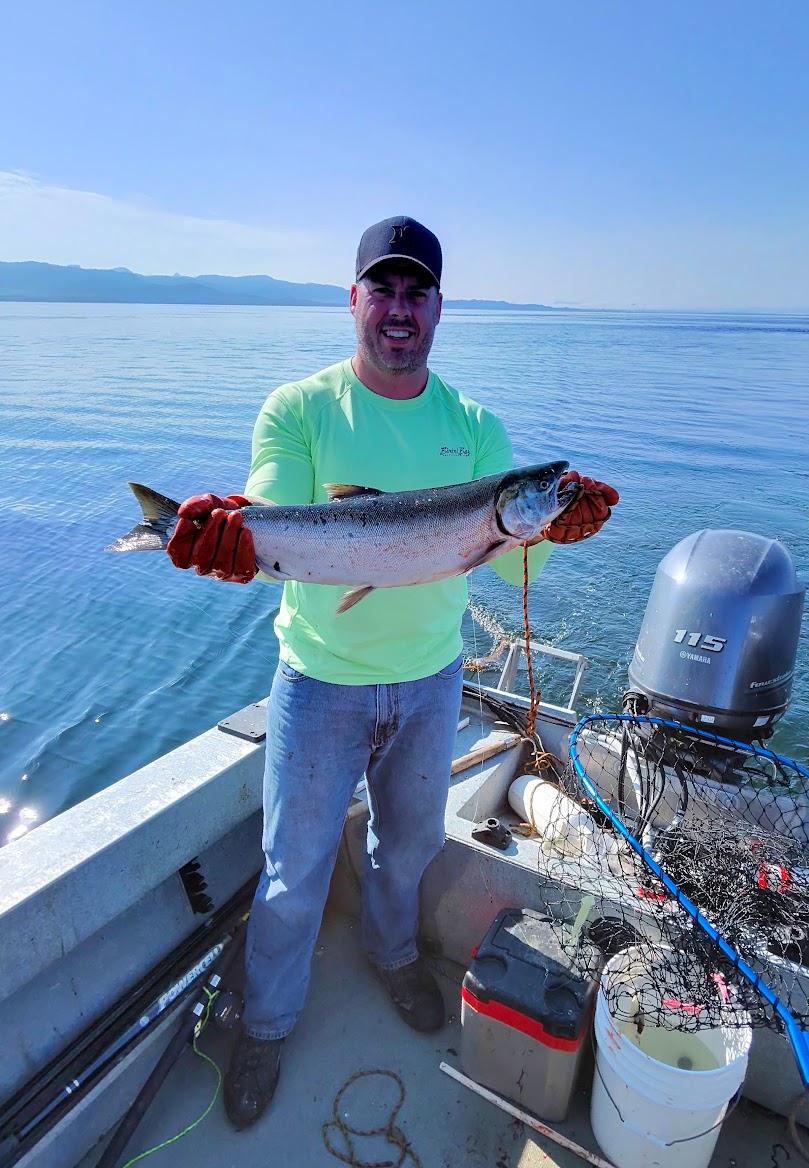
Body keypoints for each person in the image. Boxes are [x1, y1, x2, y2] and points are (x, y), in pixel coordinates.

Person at [166, 216, 619, 1129]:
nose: (400, 308)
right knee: (292, 870)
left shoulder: (477, 429)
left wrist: (556, 525)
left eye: (418, 291)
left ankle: (393, 955)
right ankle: (268, 1022)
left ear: (441, 308)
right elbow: (271, 513)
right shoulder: (298, 408)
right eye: (385, 288)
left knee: (405, 848)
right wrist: (233, 537)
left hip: (430, 682)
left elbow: (511, 559)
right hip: (318, 680)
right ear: (355, 300)